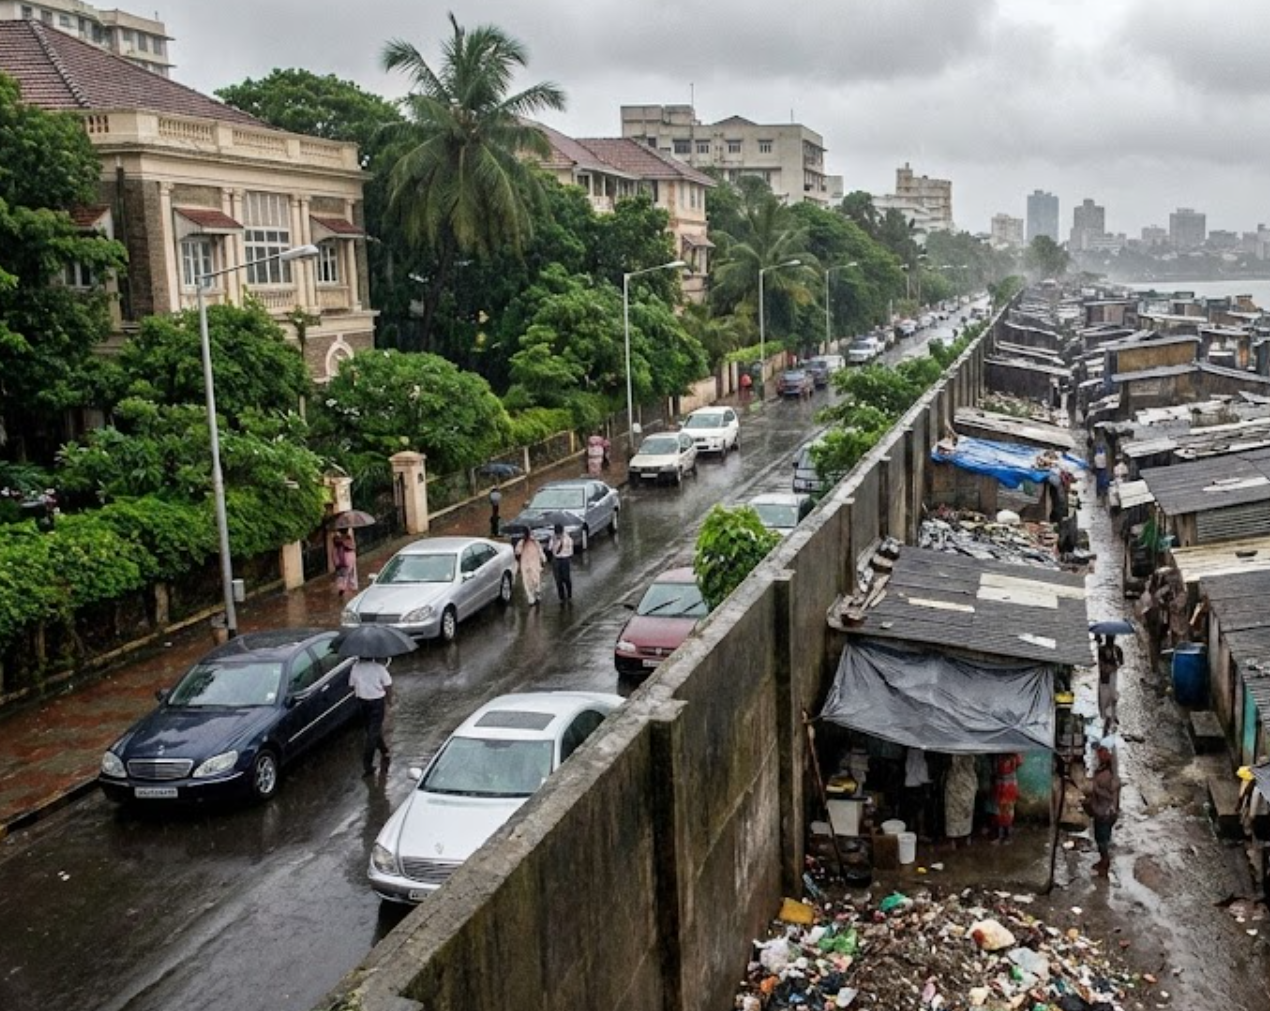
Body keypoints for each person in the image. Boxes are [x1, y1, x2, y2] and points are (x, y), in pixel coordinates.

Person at [350, 656, 392, 776]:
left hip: (362, 702)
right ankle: (367, 764)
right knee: (373, 733)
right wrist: (389, 700)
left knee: (371, 729)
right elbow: (388, 684)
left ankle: (384, 750)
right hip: (377, 702)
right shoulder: (379, 668)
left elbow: (351, 685)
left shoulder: (355, 668)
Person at [1087, 744, 1121, 877]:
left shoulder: (1109, 776)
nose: (1098, 755)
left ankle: (1105, 863)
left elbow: (1110, 795)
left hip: (1105, 812)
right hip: (1104, 810)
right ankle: (1103, 860)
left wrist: (1094, 788)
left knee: (1102, 839)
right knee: (1100, 837)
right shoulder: (1105, 770)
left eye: (1101, 752)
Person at [944, 753, 978, 848]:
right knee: (961, 814)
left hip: (958, 784)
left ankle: (955, 839)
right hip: (961, 784)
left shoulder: (956, 752)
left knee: (955, 814)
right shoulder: (971, 750)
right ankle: (963, 838)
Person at [991, 753, 1023, 843]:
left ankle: (1007, 836)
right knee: (999, 812)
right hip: (1001, 786)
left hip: (1008, 787)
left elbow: (1019, 762)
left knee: (1007, 811)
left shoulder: (1014, 755)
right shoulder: (997, 755)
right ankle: (1000, 835)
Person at [1097, 634, 1124, 733]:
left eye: (1111, 639)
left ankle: (1111, 716)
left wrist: (1113, 667)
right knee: (1104, 698)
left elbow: (1121, 662)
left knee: (1112, 696)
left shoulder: (1117, 650)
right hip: (1104, 677)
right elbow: (1100, 663)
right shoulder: (1101, 650)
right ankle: (1106, 716)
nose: (1110, 641)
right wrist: (1105, 668)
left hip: (1113, 676)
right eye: (1108, 639)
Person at [515, 534, 545, 606]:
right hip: (525, 565)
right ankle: (531, 598)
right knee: (526, 581)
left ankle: (537, 593)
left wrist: (543, 559)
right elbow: (517, 552)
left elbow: (540, 550)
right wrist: (522, 545)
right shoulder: (521, 543)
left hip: (535, 564)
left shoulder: (535, 542)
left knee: (536, 580)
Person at [547, 523, 574, 602]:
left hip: (565, 559)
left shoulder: (567, 539)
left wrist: (566, 555)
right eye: (557, 533)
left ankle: (569, 595)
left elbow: (570, 551)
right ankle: (561, 597)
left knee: (566, 578)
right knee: (558, 580)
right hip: (556, 560)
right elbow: (549, 548)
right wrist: (554, 542)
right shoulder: (553, 539)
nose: (558, 535)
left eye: (559, 533)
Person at [333, 530, 358, 599]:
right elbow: (353, 547)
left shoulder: (339, 539)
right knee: (348, 573)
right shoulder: (347, 538)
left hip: (342, 560)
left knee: (343, 574)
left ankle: (343, 587)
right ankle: (348, 586)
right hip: (348, 558)